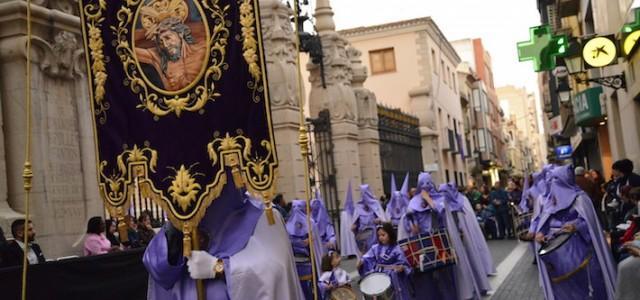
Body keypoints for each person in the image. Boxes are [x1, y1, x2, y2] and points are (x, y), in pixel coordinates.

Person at [144, 175, 304, 300]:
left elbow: (273, 274)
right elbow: (158, 269)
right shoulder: (182, 225)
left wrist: (219, 267)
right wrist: (175, 229)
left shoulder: (264, 216)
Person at [532, 165, 616, 300]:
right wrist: (540, 233)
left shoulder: (580, 198)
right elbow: (543, 223)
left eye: (555, 181)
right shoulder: (550, 202)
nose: (552, 185)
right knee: (564, 290)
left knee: (590, 287)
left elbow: (590, 224)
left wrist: (576, 226)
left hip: (583, 252)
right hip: (558, 257)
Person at [397, 173, 458, 300]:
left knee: (443, 273)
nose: (426, 186)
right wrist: (412, 226)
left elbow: (440, 212)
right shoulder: (414, 200)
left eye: (428, 183)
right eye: (422, 183)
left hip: (439, 241)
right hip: (421, 244)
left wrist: (429, 199)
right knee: (424, 275)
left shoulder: (439, 198)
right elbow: (408, 218)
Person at [135, 3, 207, 91]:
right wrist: (149, 30)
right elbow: (129, 48)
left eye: (167, 38)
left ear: (180, 33)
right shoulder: (158, 57)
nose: (165, 45)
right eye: (161, 41)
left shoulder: (203, 49)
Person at [441, 182, 496, 280]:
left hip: (468, 232)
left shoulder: (462, 200)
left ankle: (482, 269)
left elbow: (466, 217)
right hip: (458, 233)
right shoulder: (449, 202)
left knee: (474, 249)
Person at [358, 223, 412, 300]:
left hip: (393, 275)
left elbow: (404, 263)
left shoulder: (397, 249)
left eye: (383, 235)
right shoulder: (375, 248)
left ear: (390, 234)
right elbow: (367, 258)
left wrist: (402, 268)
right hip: (379, 274)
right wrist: (361, 262)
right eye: (379, 235)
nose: (381, 238)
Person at [286, 199, 323, 300]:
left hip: (308, 262)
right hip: (298, 264)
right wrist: (304, 243)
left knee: (310, 287)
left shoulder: (309, 224)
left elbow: (315, 245)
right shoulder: (288, 225)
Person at [351, 184, 386, 255]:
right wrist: (354, 227)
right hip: (363, 234)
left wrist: (379, 220)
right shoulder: (358, 206)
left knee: (374, 253)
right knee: (365, 254)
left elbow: (382, 218)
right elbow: (355, 223)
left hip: (374, 233)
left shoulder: (375, 204)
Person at [339, 181, 359, 258]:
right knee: (348, 238)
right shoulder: (344, 213)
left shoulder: (355, 210)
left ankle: (354, 251)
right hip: (348, 230)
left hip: (352, 229)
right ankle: (349, 251)